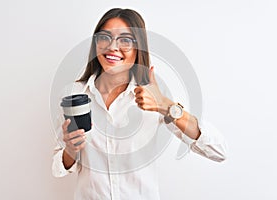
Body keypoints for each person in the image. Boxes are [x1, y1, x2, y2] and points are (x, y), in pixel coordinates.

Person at [52, 8, 227, 200]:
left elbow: (217, 151)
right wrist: (70, 149)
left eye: (125, 40)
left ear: (139, 48)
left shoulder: (154, 94)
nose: (112, 47)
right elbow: (59, 167)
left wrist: (165, 105)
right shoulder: (73, 95)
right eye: (105, 37)